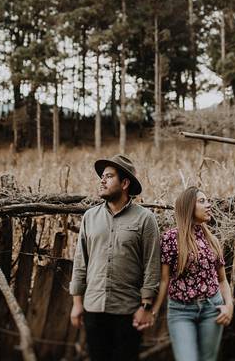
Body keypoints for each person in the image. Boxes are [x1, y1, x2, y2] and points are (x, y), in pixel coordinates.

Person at [69, 154, 161, 361]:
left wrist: (146, 307)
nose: (102, 180)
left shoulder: (145, 219)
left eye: (109, 176)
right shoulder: (90, 217)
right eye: (102, 176)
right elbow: (80, 262)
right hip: (93, 308)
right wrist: (77, 303)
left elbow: (152, 266)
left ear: (125, 183)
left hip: (128, 311)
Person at [153, 187, 234, 361]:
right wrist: (153, 310)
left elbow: (222, 280)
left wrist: (229, 306)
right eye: (202, 201)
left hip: (212, 309)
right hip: (181, 311)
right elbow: (164, 280)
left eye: (208, 200)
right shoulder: (170, 238)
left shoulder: (213, 240)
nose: (209, 205)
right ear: (188, 206)